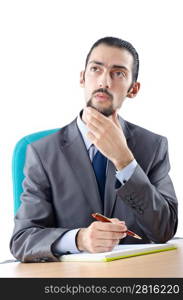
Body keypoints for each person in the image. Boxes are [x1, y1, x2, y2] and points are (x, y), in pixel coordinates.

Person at [10, 36, 178, 262]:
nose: (104, 81)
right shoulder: (42, 152)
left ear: (133, 89)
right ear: (82, 77)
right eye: (96, 69)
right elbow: (22, 239)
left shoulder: (153, 146)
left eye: (118, 73)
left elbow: (164, 230)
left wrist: (125, 161)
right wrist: (79, 239)